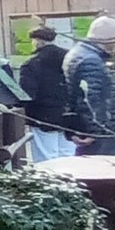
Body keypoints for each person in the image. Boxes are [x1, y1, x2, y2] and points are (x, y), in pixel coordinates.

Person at [66, 15, 115, 156]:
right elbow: (91, 98)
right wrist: (95, 131)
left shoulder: (81, 54)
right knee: (107, 172)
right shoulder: (91, 60)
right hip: (101, 133)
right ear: (110, 39)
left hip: (90, 129)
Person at [17, 27, 77, 162]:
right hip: (69, 116)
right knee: (68, 156)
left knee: (46, 158)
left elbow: (27, 94)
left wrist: (25, 114)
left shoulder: (31, 64)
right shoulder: (70, 60)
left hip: (42, 117)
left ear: (38, 41)